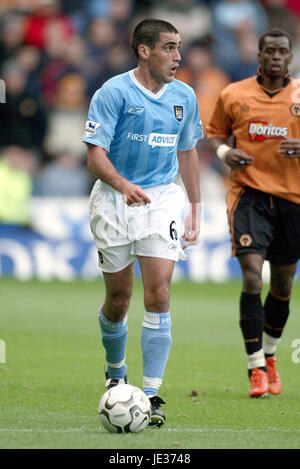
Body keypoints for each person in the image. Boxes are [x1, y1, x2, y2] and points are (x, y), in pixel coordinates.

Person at [83, 18, 203, 425]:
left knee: (160, 293)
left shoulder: (184, 96)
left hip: (162, 199)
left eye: (179, 46)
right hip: (115, 200)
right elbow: (95, 155)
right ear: (144, 50)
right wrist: (123, 184)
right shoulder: (113, 92)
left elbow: (187, 151)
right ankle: (116, 374)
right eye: (169, 47)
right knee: (118, 301)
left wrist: (195, 207)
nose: (178, 56)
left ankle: (150, 393)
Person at [207, 28, 300, 398]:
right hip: (249, 196)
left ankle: (271, 354)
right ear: (258, 56)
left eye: (282, 51)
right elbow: (214, 133)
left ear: (289, 57)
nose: (276, 57)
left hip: (293, 200)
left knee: (282, 285)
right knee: (251, 277)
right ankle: (255, 366)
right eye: (269, 51)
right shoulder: (233, 94)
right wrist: (225, 154)